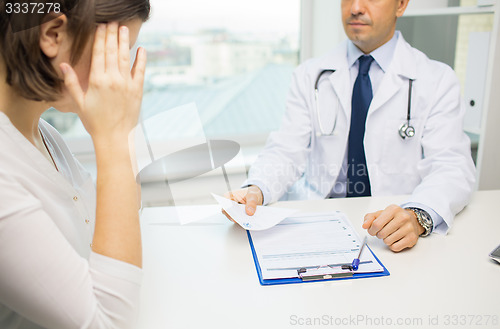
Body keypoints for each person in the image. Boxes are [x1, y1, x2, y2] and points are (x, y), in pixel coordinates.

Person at [225, 0, 476, 252]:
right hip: (316, 223)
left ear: (400, 5)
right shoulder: (309, 75)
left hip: (389, 229)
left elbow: (452, 166)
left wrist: (417, 215)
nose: (355, 7)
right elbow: (285, 150)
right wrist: (256, 188)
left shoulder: (437, 79)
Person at [0, 0, 150, 328]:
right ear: (53, 34)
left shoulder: (44, 136)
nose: (119, 77)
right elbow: (109, 323)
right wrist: (113, 134)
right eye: (114, 53)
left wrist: (119, 129)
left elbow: (113, 221)